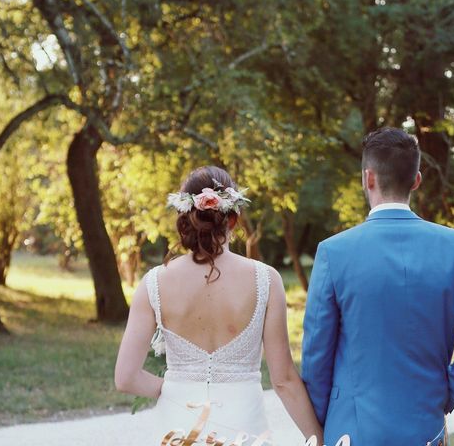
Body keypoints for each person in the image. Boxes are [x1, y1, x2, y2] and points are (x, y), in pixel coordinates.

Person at [301, 127, 454, 445]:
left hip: (350, 431)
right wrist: (443, 396)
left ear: (368, 178)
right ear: (417, 180)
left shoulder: (333, 252)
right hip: (425, 428)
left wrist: (328, 422)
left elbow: (316, 360)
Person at [114, 166, 322, 444]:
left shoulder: (154, 283)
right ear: (233, 219)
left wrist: (175, 387)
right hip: (243, 427)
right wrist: (318, 438)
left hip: (177, 426)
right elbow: (283, 380)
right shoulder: (266, 280)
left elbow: (125, 378)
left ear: (185, 217)